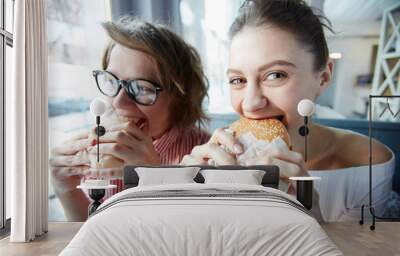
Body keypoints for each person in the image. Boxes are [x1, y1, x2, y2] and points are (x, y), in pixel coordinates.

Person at [182, 0, 394, 222]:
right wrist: (181, 200)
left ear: (323, 78)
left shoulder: (368, 161)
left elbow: (362, 255)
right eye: (238, 80)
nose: (250, 103)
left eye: (275, 75)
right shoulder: (215, 160)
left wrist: (314, 221)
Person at [50, 17, 210, 221]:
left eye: (141, 88)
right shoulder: (97, 152)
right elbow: (93, 234)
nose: (118, 102)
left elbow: (195, 239)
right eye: (111, 80)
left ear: (180, 98)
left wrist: (155, 178)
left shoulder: (207, 157)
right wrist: (67, 191)